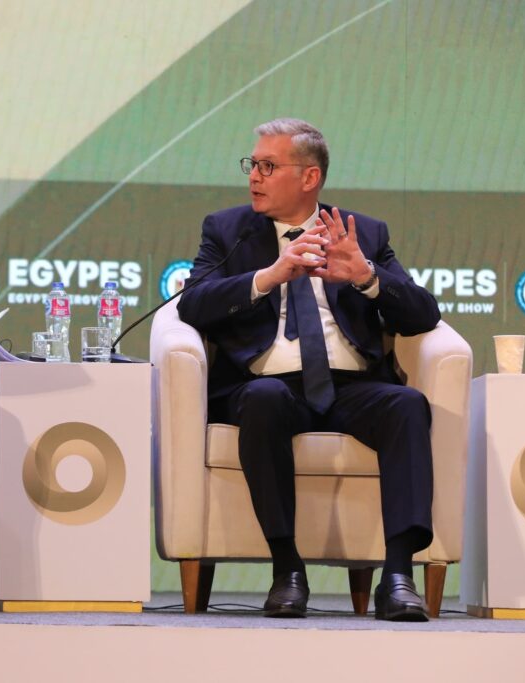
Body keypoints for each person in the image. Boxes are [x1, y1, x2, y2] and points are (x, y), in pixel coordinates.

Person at [177, 118, 440, 622]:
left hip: (351, 386)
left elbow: (423, 315)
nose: (254, 175)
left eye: (267, 165)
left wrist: (365, 276)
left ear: (309, 177)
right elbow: (192, 304)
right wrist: (267, 277)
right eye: (252, 164)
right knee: (265, 400)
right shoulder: (228, 231)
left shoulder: (362, 233)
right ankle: (287, 570)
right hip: (266, 385)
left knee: (407, 404)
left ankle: (398, 576)